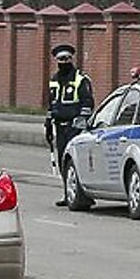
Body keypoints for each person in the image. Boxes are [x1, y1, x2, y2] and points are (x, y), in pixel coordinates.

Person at [45, 43, 94, 206]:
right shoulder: (54, 80)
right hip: (59, 127)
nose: (63, 62)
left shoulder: (80, 79)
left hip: (74, 127)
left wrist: (79, 125)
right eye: (60, 59)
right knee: (62, 161)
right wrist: (48, 124)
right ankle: (68, 194)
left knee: (75, 161)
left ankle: (82, 194)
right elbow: (51, 104)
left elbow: (87, 103)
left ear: (71, 59)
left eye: (66, 59)